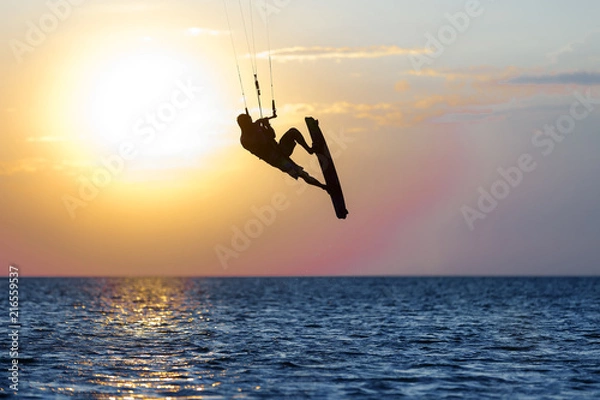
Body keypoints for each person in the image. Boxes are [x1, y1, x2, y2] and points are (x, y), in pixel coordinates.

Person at [237, 113, 328, 191]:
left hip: (280, 149)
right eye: (249, 122)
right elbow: (263, 142)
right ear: (244, 125)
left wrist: (267, 125)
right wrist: (258, 127)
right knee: (301, 174)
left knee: (293, 132)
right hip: (277, 160)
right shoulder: (245, 140)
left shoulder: (256, 129)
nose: (252, 122)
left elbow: (272, 135)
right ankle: (324, 187)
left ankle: (310, 150)